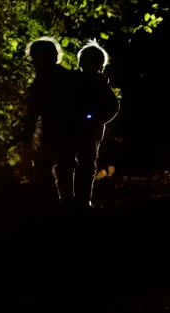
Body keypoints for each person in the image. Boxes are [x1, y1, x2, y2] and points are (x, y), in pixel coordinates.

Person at [21, 38, 120, 211]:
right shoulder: (65, 79)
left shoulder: (75, 80)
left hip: (80, 131)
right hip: (67, 130)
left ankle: (75, 202)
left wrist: (97, 119)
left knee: (79, 165)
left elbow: (110, 106)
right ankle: (67, 201)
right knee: (66, 165)